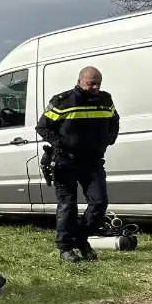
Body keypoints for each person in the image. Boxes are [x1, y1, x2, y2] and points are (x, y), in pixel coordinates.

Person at [35, 66, 120, 262]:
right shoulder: (63, 101)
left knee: (99, 203)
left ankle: (81, 239)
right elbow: (42, 127)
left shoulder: (105, 100)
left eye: (98, 83)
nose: (95, 87)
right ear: (80, 81)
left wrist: (110, 138)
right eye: (91, 83)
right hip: (66, 161)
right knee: (68, 205)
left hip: (92, 162)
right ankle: (65, 248)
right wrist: (60, 143)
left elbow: (115, 120)